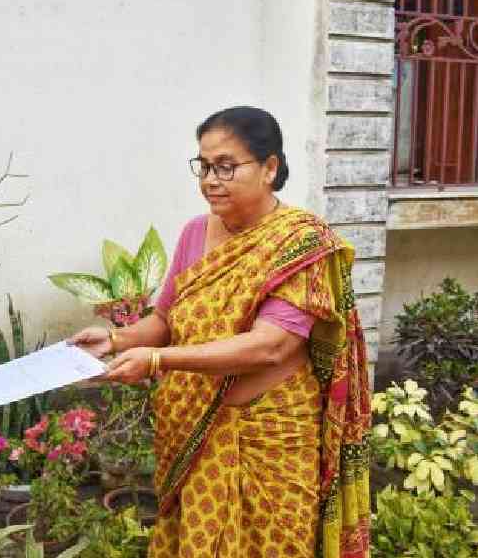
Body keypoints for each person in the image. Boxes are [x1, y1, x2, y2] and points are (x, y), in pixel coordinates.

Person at [71, 106, 371, 558]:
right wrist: (115, 340)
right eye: (204, 166)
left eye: (227, 166)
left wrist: (157, 361)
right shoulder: (195, 232)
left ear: (269, 167)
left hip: (272, 438)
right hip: (197, 432)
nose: (211, 179)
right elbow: (166, 320)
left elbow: (271, 347)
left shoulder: (300, 244)